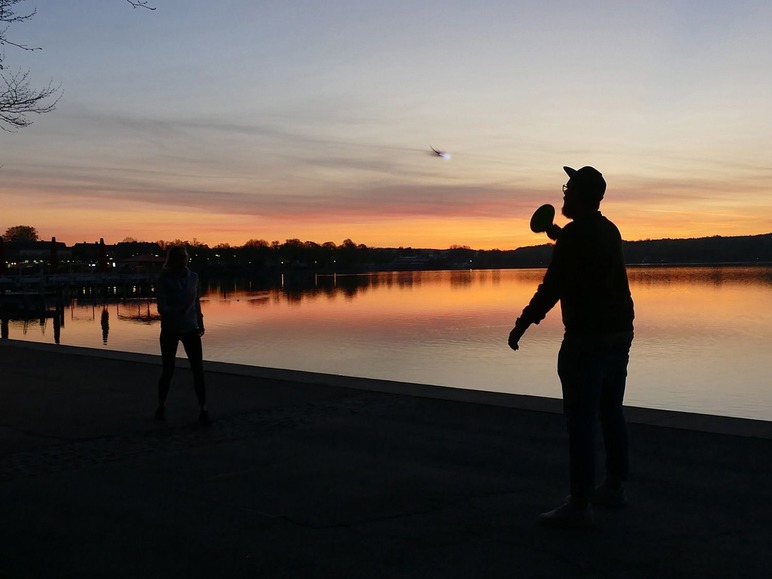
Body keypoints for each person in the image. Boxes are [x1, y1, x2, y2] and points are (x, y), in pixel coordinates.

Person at [508, 166, 634, 528]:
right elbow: (585, 251)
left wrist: (522, 324)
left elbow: (552, 287)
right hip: (619, 334)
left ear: (580, 194)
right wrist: (558, 235)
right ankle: (614, 487)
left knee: (580, 422)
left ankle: (579, 505)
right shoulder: (607, 229)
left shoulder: (576, 236)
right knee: (611, 412)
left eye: (569, 187)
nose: (564, 192)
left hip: (587, 339)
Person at [155, 245, 210, 425]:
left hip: (190, 327)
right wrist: (173, 312)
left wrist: (200, 321)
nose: (182, 260)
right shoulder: (164, 279)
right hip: (170, 328)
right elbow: (161, 305)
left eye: (184, 257)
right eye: (179, 257)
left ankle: (203, 408)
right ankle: (161, 405)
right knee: (168, 369)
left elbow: (196, 302)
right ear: (171, 259)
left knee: (198, 369)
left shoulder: (194, 278)